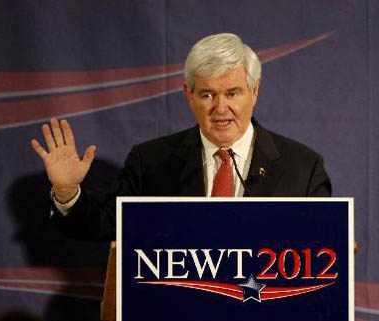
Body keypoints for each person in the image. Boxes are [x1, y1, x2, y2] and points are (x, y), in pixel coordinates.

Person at [31, 33, 331, 240]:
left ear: (254, 91)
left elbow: (323, 255)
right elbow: (100, 225)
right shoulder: (150, 163)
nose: (220, 108)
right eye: (207, 94)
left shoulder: (302, 168)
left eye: (233, 93)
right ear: (188, 95)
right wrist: (67, 192)